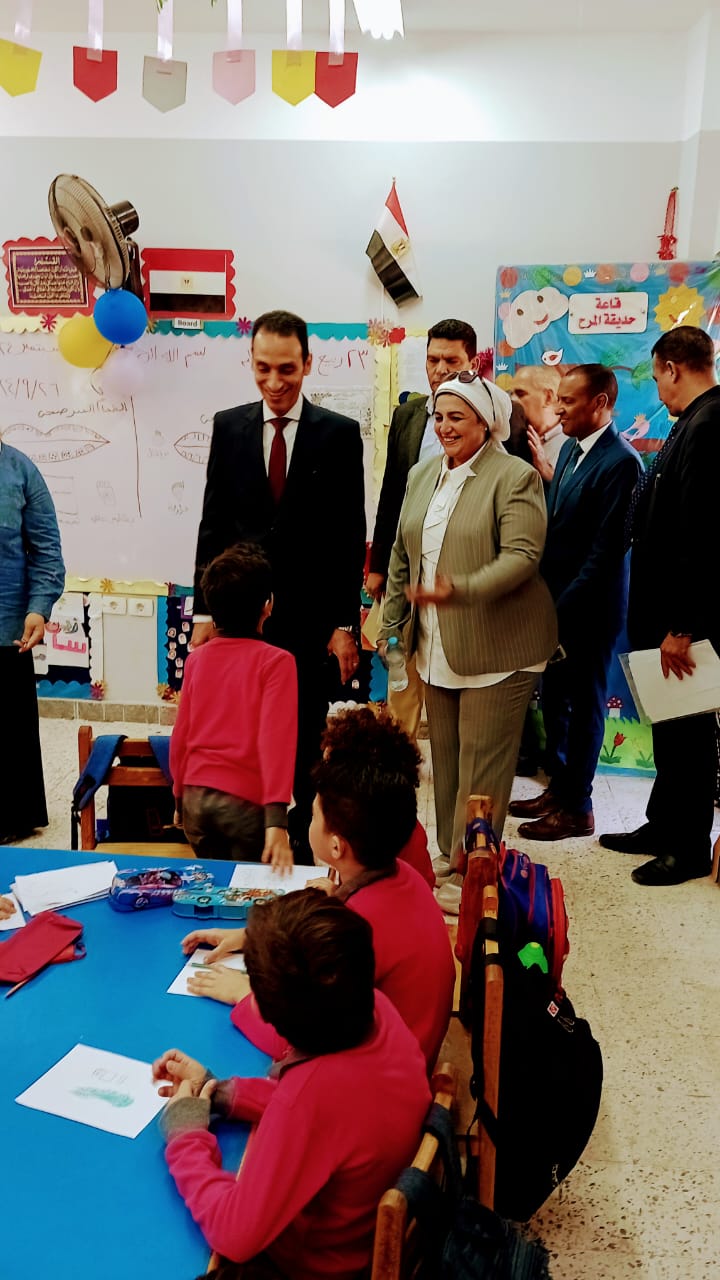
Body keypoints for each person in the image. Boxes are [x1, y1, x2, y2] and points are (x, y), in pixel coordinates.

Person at [153, 892, 430, 1280]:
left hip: (313, 1267)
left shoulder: (308, 1100)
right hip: (367, 1226)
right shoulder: (373, 1006)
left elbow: (235, 1236)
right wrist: (224, 1092)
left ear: (266, 1012)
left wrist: (186, 1136)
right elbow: (339, 1116)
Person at [182, 706, 455, 1070]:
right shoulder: (401, 874)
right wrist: (253, 938)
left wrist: (244, 994)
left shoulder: (356, 929)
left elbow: (300, 1037)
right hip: (408, 1059)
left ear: (337, 846)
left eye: (314, 813)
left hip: (375, 1080)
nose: (309, 820)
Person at [191, 310, 366, 861]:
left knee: (304, 737)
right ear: (251, 363)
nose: (274, 382)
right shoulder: (228, 427)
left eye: (286, 369)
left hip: (309, 622)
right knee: (243, 736)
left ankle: (303, 848)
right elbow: (213, 525)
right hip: (241, 620)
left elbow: (348, 535)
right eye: (263, 368)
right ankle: (251, 844)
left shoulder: (339, 434)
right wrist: (204, 613)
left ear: (307, 363)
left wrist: (344, 623)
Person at [379, 372, 557, 912]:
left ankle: (476, 867)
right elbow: (402, 553)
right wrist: (391, 624)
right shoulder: (422, 474)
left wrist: (460, 589)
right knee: (449, 762)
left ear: (487, 422)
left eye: (457, 417)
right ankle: (449, 854)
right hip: (436, 644)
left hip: (500, 647)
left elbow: (522, 557)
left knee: (482, 768)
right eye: (439, 416)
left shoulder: (514, 476)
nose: (444, 427)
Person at [599, 325, 720, 885]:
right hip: (664, 612)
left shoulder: (710, 424)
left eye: (656, 377)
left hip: (683, 621)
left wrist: (683, 625)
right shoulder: (690, 421)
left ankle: (687, 846)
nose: (658, 388)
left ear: (673, 368)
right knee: (669, 727)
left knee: (688, 733)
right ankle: (663, 823)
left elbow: (703, 535)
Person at [509, 366, 642, 840]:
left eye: (568, 400)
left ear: (600, 403)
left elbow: (604, 554)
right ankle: (559, 789)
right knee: (557, 701)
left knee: (585, 707)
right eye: (558, 399)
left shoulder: (622, 463)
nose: (558, 409)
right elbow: (561, 521)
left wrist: (558, 610)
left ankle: (578, 808)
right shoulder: (568, 449)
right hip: (558, 605)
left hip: (590, 611)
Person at [366, 318, 477, 739]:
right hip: (409, 567)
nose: (440, 369)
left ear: (473, 363)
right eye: (433, 360)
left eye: (452, 361)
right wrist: (378, 565)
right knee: (402, 677)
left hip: (463, 571)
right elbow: (391, 491)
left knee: (458, 684)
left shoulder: (493, 418)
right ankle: (401, 761)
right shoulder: (408, 415)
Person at [170, 544, 297, 869]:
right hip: (245, 806)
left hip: (196, 802)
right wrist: (277, 821)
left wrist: (179, 796)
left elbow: (181, 735)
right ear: (267, 605)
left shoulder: (197, 660)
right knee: (248, 892)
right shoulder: (277, 662)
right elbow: (276, 743)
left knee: (214, 886)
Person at [0, 440, 65, 844]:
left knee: (8, 730)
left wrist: (39, 608)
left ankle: (12, 817)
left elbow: (47, 551)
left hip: (7, 626)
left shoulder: (20, 471)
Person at [510, 364, 565, 476]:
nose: (512, 400)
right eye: (511, 394)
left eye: (520, 394)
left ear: (548, 397)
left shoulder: (574, 445)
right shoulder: (511, 440)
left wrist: (547, 472)